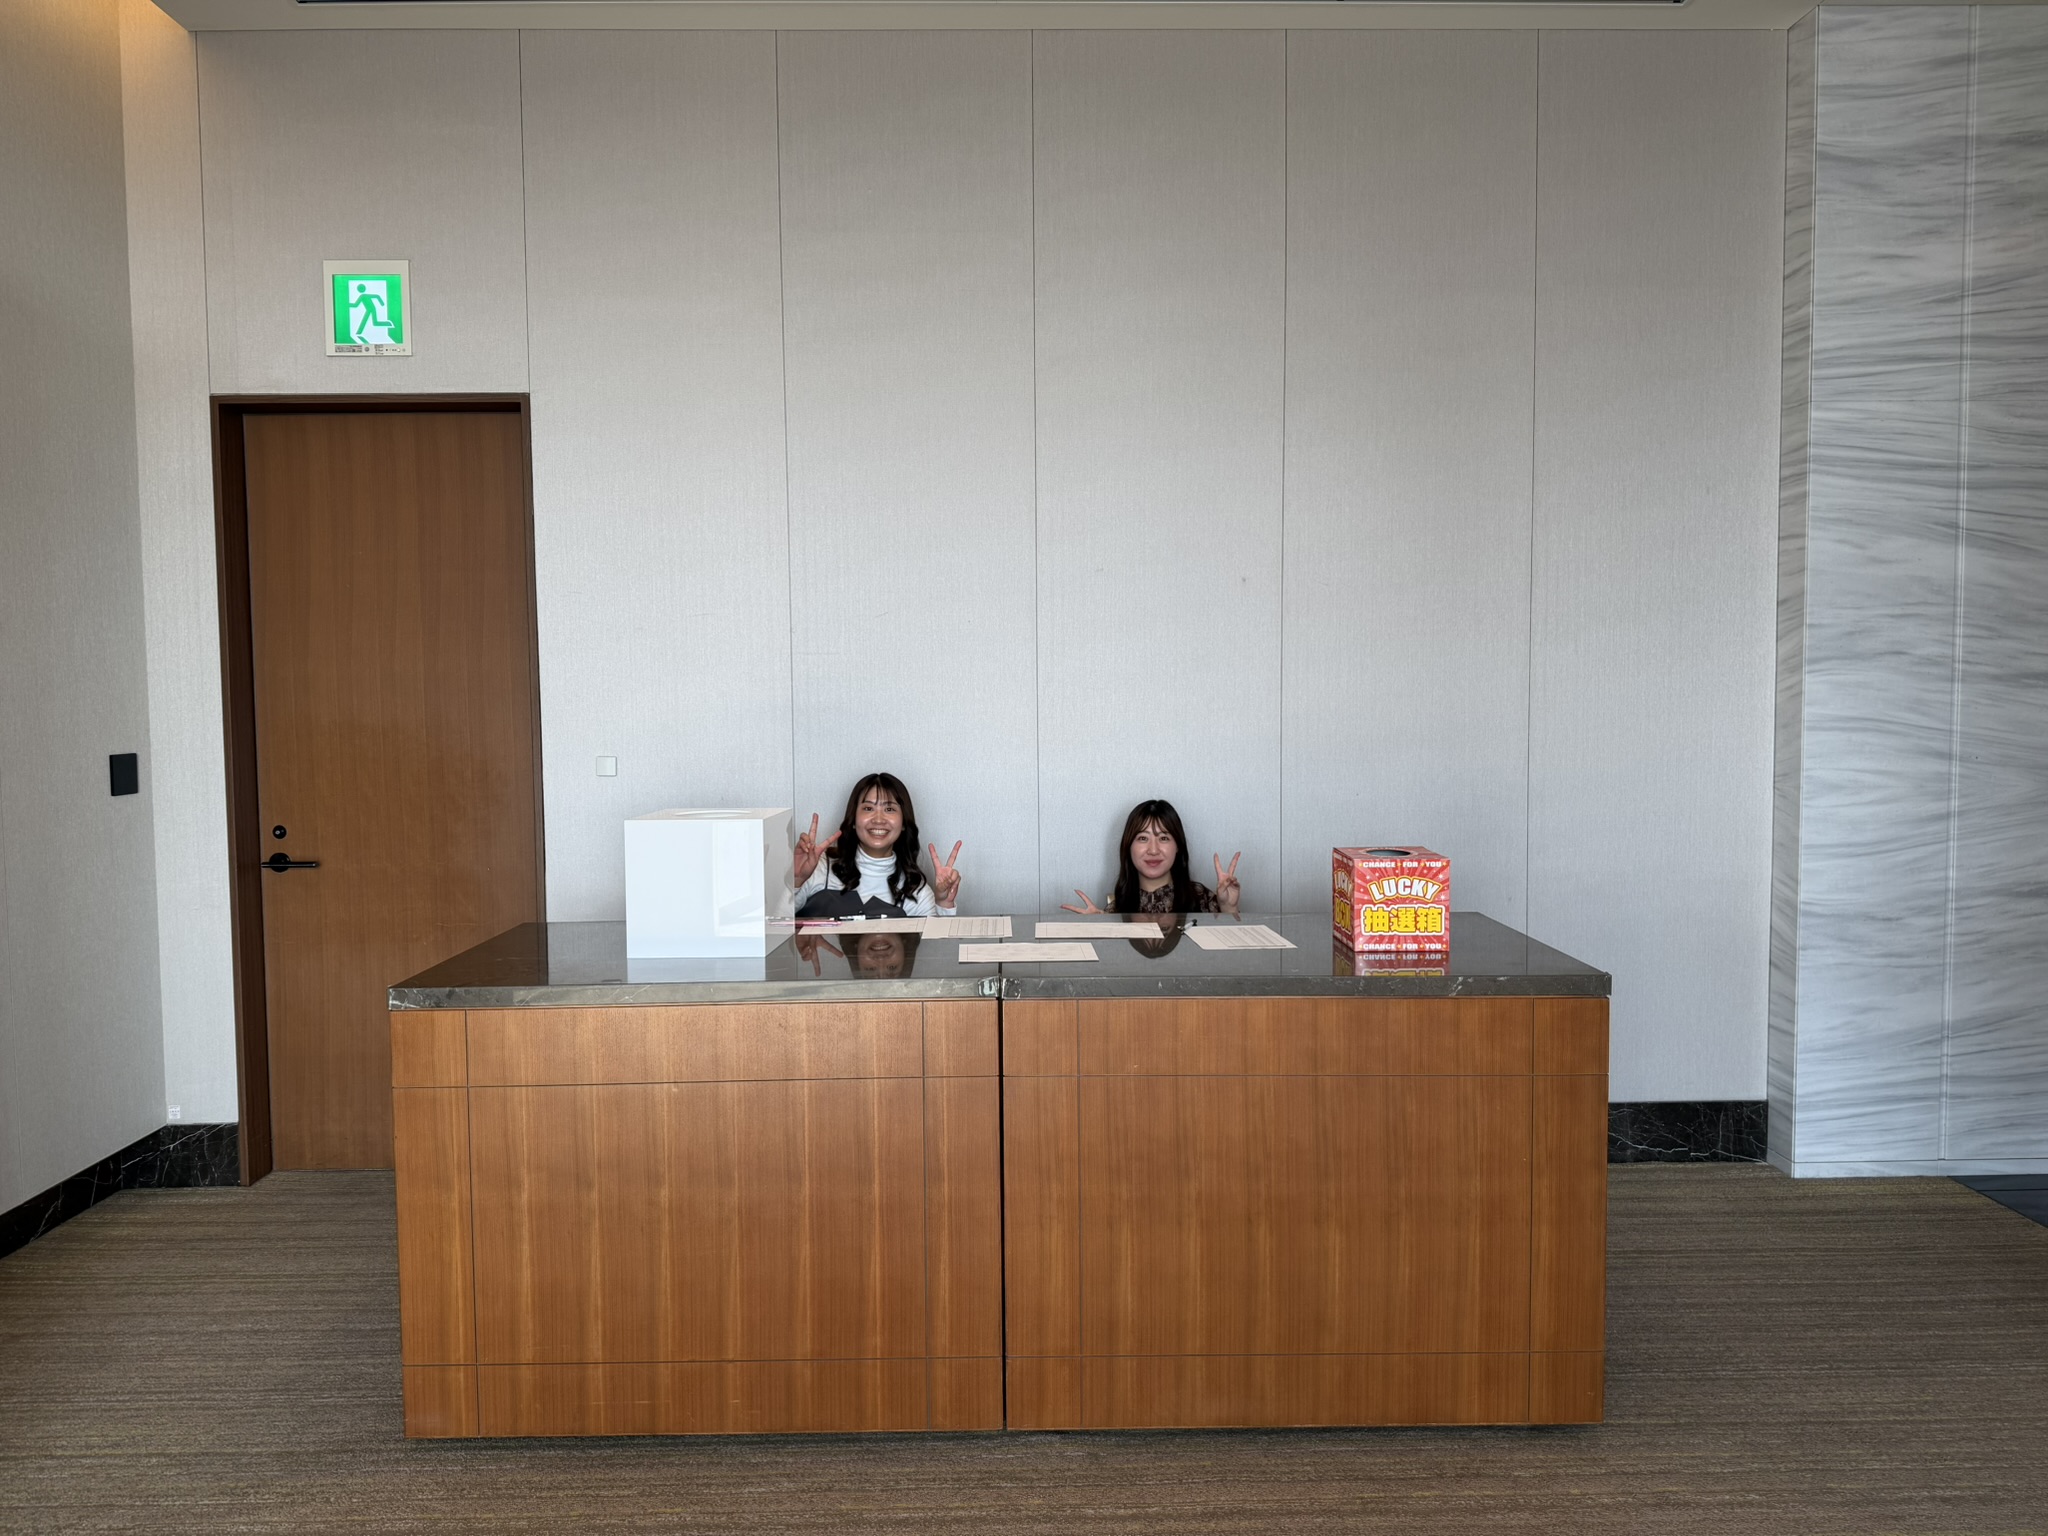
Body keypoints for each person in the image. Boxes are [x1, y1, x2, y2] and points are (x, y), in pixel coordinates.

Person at [793, 771, 962, 919]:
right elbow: (778, 926)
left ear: (904, 823)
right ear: (853, 820)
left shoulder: (915, 890)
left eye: (889, 809)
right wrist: (796, 880)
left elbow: (934, 943)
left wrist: (943, 904)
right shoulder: (819, 868)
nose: (878, 819)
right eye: (868, 809)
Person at [1061, 798, 1241, 917]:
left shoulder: (1200, 898)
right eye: (1142, 838)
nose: (1153, 850)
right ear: (1128, 847)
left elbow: (1230, 955)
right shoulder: (1116, 910)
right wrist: (1099, 928)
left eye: (1163, 838)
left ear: (1178, 846)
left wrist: (1229, 908)